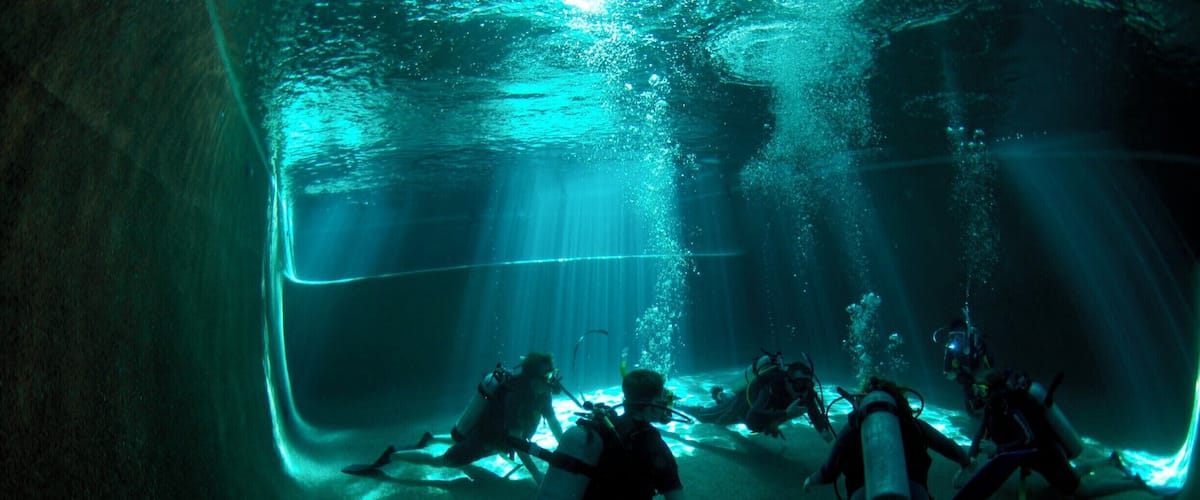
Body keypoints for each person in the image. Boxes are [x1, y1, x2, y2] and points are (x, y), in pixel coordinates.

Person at [952, 369, 1154, 499]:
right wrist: (968, 461)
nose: (978, 393)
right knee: (1071, 475)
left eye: (982, 388)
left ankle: (1133, 483)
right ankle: (1110, 463)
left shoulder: (1010, 407)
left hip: (1047, 454)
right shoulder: (993, 408)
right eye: (977, 388)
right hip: (1036, 458)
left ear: (996, 390)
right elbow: (979, 434)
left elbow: (1028, 437)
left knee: (1082, 491)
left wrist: (999, 448)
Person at [383, 352, 566, 483]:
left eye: (553, 373)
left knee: (463, 440)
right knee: (440, 461)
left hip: (498, 442)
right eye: (548, 375)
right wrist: (537, 475)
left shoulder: (543, 394)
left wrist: (565, 449)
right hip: (483, 441)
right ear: (533, 378)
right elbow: (518, 442)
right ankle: (393, 454)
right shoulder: (518, 397)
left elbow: (554, 423)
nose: (553, 380)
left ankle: (431, 438)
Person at [803, 376, 972, 499]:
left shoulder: (852, 429)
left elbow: (829, 472)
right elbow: (950, 448)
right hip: (914, 493)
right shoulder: (915, 426)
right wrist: (966, 464)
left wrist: (810, 481)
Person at [536, 368, 685, 500]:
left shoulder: (605, 428)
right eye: (661, 400)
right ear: (653, 405)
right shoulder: (654, 447)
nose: (666, 405)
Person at [679, 352, 834, 442]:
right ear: (787, 380)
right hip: (741, 408)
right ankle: (677, 405)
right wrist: (784, 415)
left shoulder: (804, 392)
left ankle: (719, 394)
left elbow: (814, 413)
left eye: (807, 385)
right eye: (800, 385)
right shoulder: (772, 387)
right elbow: (752, 419)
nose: (803, 391)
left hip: (749, 403)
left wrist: (823, 431)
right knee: (708, 416)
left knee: (728, 401)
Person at [936, 318, 993, 416]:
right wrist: (959, 376)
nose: (956, 340)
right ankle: (972, 411)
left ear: (966, 335)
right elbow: (946, 372)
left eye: (960, 336)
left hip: (979, 372)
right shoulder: (950, 348)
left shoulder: (976, 343)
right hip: (965, 375)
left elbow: (990, 366)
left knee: (988, 389)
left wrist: (981, 378)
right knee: (968, 389)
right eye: (953, 336)